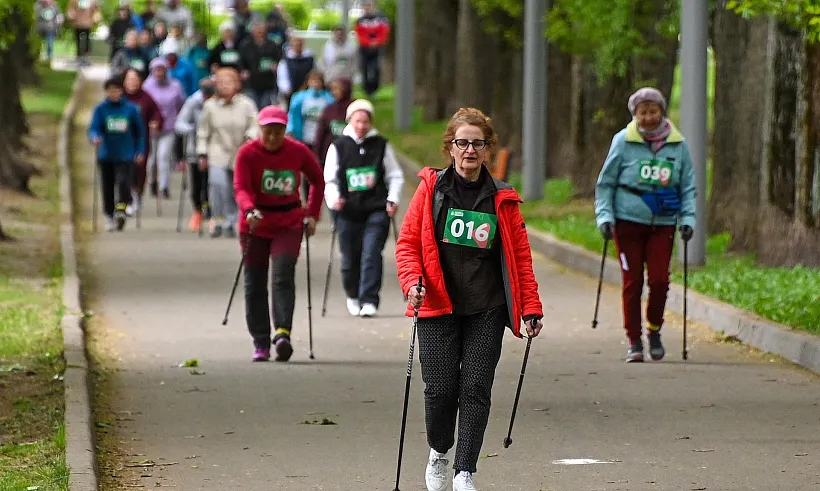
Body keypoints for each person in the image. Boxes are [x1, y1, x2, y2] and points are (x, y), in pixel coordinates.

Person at [394, 107, 544, 491]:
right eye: (462, 143)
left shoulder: (502, 200)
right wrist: (412, 283)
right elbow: (408, 244)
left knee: (476, 388)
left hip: (486, 307)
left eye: (478, 143)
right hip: (437, 305)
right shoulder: (431, 191)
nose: (469, 150)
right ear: (450, 148)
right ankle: (440, 452)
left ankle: (465, 470)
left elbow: (519, 260)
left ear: (488, 149)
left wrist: (529, 307)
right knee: (440, 389)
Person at [594, 87, 697, 363]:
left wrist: (688, 219)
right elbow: (605, 183)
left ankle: (654, 330)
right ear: (635, 114)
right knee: (633, 282)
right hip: (627, 223)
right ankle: (634, 340)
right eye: (643, 112)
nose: (649, 117)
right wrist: (604, 217)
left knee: (660, 281)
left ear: (661, 111)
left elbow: (687, 186)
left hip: (663, 223)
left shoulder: (678, 144)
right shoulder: (622, 141)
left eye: (653, 111)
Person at [234, 105, 325, 362]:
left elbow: (317, 179)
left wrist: (312, 214)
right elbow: (241, 187)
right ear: (260, 130)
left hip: (289, 221)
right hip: (255, 223)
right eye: (268, 132)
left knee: (283, 274)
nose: (272, 137)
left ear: (285, 131)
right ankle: (260, 341)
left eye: (278, 132)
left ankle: (282, 333)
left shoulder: (297, 151)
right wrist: (249, 209)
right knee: (254, 282)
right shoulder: (247, 154)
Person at [323, 99, 404, 317]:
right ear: (350, 121)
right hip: (347, 210)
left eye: (365, 121)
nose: (361, 126)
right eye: (358, 121)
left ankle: (369, 299)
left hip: (376, 208)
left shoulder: (381, 145)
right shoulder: (338, 146)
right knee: (350, 257)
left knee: (371, 253)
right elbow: (329, 179)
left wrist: (393, 199)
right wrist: (335, 199)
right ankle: (353, 294)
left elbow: (394, 175)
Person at [196, 68, 259, 238]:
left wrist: (251, 137)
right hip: (217, 151)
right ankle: (217, 219)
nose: (225, 86)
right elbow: (203, 132)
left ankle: (231, 221)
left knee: (235, 188)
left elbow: (255, 124)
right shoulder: (209, 106)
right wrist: (202, 154)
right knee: (218, 185)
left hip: (240, 151)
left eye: (229, 82)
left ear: (237, 84)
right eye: (221, 82)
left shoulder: (246, 104)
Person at [88, 76, 146, 232]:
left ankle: (121, 209)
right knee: (107, 186)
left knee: (123, 181)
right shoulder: (101, 109)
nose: (114, 93)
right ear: (106, 92)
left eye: (117, 90)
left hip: (125, 153)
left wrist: (140, 151)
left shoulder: (131, 109)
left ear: (122, 91)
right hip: (106, 154)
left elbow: (140, 133)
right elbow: (94, 127)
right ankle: (108, 214)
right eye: (110, 90)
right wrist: (95, 137)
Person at [175, 77, 216, 232]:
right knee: (196, 185)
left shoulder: (218, 103)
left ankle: (212, 213)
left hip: (214, 151)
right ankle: (198, 211)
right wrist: (192, 128)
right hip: (195, 150)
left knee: (212, 183)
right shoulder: (193, 103)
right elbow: (179, 124)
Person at [142, 57, 186, 199]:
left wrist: (180, 119)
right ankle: (152, 182)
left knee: (164, 156)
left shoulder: (175, 85)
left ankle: (164, 185)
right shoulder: (146, 87)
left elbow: (181, 103)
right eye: (156, 70)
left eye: (162, 70)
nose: (159, 73)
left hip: (169, 127)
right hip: (152, 129)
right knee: (152, 158)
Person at [123, 68, 163, 214]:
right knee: (124, 169)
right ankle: (124, 199)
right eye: (129, 79)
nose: (132, 82)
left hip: (141, 139)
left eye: (135, 79)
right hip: (122, 140)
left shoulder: (146, 98)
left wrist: (155, 122)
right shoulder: (120, 97)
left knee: (139, 169)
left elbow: (156, 113)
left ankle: (137, 195)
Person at [239, 18, 283, 110]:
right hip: (251, 83)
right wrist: (243, 71)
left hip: (268, 83)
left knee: (264, 107)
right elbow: (241, 62)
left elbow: (279, 59)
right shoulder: (245, 45)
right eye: (257, 29)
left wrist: (276, 65)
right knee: (252, 108)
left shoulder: (273, 45)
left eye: (261, 29)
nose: (259, 32)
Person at [286, 70, 333, 153]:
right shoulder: (299, 98)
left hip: (321, 138)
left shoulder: (329, 98)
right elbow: (292, 115)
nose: (316, 83)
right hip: (302, 136)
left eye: (318, 81)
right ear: (308, 82)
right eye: (313, 80)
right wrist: (290, 130)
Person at [354, 0, 390, 96]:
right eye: (366, 6)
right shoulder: (360, 20)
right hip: (364, 48)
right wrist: (368, 42)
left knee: (376, 67)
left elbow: (384, 32)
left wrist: (376, 42)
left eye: (369, 6)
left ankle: (375, 88)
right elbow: (359, 33)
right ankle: (366, 89)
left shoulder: (382, 18)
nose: (368, 8)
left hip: (377, 48)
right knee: (365, 68)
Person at [314, 76, 353, 164]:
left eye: (337, 89)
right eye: (332, 89)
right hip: (331, 153)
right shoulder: (329, 109)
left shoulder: (354, 107)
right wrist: (317, 155)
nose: (334, 92)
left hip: (350, 153)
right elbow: (320, 133)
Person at [276, 36, 314, 110]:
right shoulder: (286, 60)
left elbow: (313, 72)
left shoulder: (309, 58)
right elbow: (282, 75)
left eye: (299, 44)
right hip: (290, 91)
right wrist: (286, 88)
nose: (297, 46)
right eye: (295, 45)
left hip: (306, 89)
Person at [66, 0, 100, 66]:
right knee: (78, 40)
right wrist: (71, 14)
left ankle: (86, 56)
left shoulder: (92, 1)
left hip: (87, 23)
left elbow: (96, 10)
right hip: (77, 23)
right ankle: (79, 56)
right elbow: (70, 9)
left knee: (87, 41)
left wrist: (96, 17)